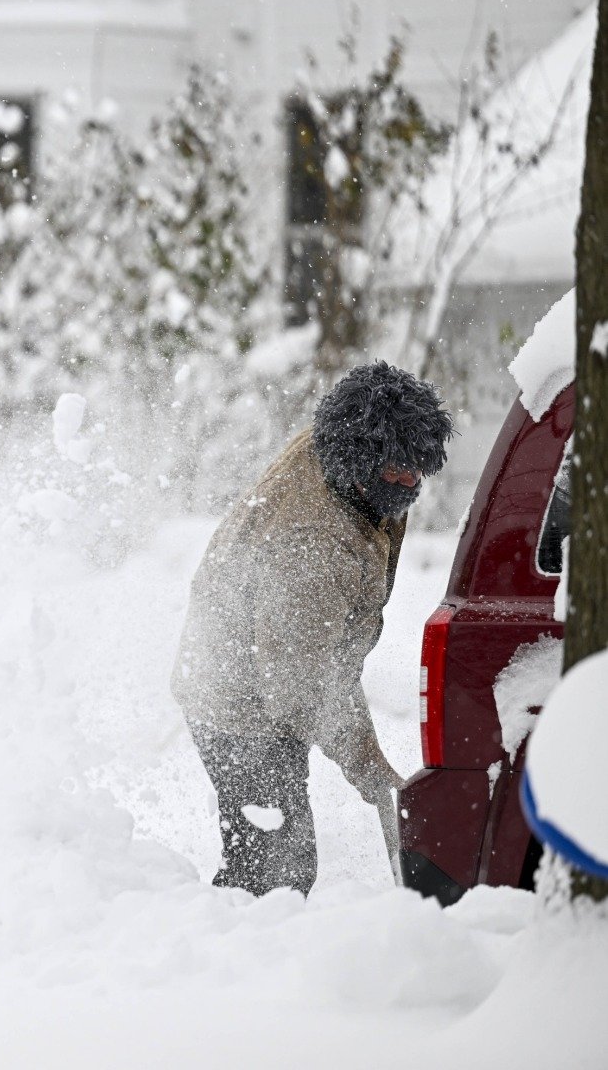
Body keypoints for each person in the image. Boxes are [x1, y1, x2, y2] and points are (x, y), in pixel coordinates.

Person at [172, 361, 454, 895]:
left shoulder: (358, 474)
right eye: (398, 467)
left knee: (280, 860)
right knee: (277, 870)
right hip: (236, 701)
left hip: (273, 660)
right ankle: (222, 958)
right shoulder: (312, 545)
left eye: (419, 465)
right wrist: (366, 762)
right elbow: (299, 686)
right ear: (358, 460)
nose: (411, 481)